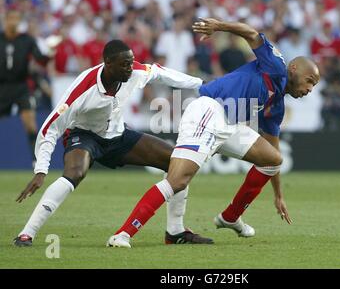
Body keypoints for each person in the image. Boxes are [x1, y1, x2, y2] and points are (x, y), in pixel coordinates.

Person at [107, 18, 320, 248]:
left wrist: (278, 194)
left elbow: (273, 148)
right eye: (309, 81)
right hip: (210, 110)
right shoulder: (276, 65)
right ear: (294, 68)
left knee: (272, 159)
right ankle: (123, 234)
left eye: (313, 86)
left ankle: (229, 217)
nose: (309, 89)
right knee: (177, 179)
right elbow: (251, 34)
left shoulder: (276, 105)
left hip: (230, 124)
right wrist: (219, 26)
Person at [13, 40, 213, 247]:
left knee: (177, 162)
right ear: (108, 63)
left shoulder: (135, 72)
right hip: (85, 135)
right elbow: (50, 127)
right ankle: (27, 233)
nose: (130, 68)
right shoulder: (83, 88)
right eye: (125, 64)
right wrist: (41, 169)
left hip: (118, 136)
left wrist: (202, 84)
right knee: (75, 173)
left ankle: (175, 232)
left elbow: (160, 73)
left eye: (131, 62)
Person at [0, 9, 51, 164]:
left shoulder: (27, 40)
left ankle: (37, 160)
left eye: (16, 18)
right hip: (2, 87)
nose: (13, 22)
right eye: (10, 18)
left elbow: (41, 60)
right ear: (5, 20)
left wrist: (49, 53)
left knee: (30, 123)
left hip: (21, 86)